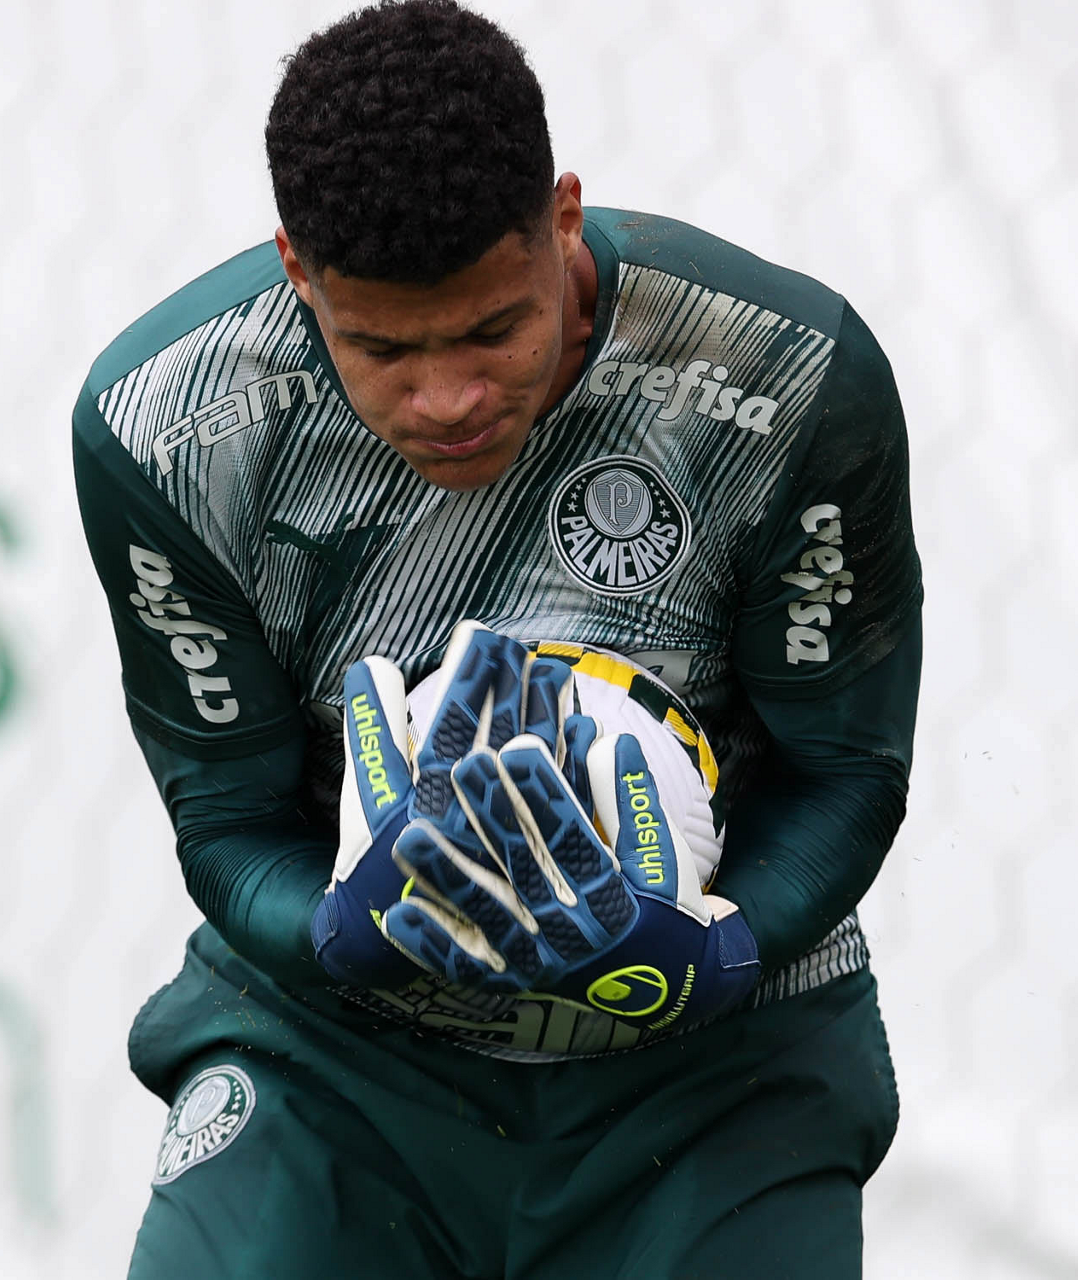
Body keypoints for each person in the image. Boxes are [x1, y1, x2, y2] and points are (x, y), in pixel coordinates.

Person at [73, 1, 922, 1275]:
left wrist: (716, 948)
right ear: (296, 268)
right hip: (335, 1060)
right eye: (381, 348)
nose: (447, 397)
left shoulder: (786, 374)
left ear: (563, 218)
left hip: (718, 1065)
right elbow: (227, 818)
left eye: (491, 329)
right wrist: (338, 928)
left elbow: (845, 773)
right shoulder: (164, 426)